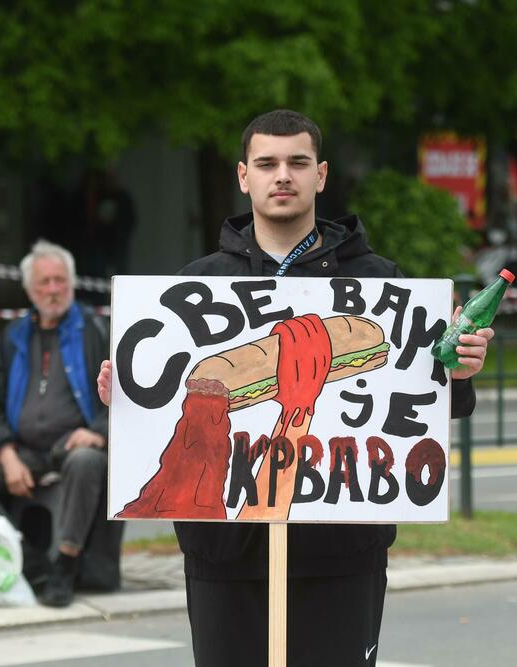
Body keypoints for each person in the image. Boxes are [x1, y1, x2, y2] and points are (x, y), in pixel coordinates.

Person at [97, 109, 493, 667]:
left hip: (340, 551)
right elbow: (163, 423)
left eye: (297, 163)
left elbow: (420, 404)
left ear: (321, 175)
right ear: (244, 176)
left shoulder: (382, 282)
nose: (282, 175)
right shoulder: (196, 283)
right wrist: (129, 401)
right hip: (224, 550)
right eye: (267, 163)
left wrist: (460, 374)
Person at [0, 240, 111, 607]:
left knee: (86, 461)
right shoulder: (15, 336)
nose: (52, 290)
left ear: (72, 282)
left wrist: (98, 432)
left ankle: (65, 564)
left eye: (59, 281)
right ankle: (29, 561)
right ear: (29, 289)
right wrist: (6, 454)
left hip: (73, 448)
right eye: (44, 282)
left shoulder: (96, 331)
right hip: (24, 451)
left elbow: (131, 394)